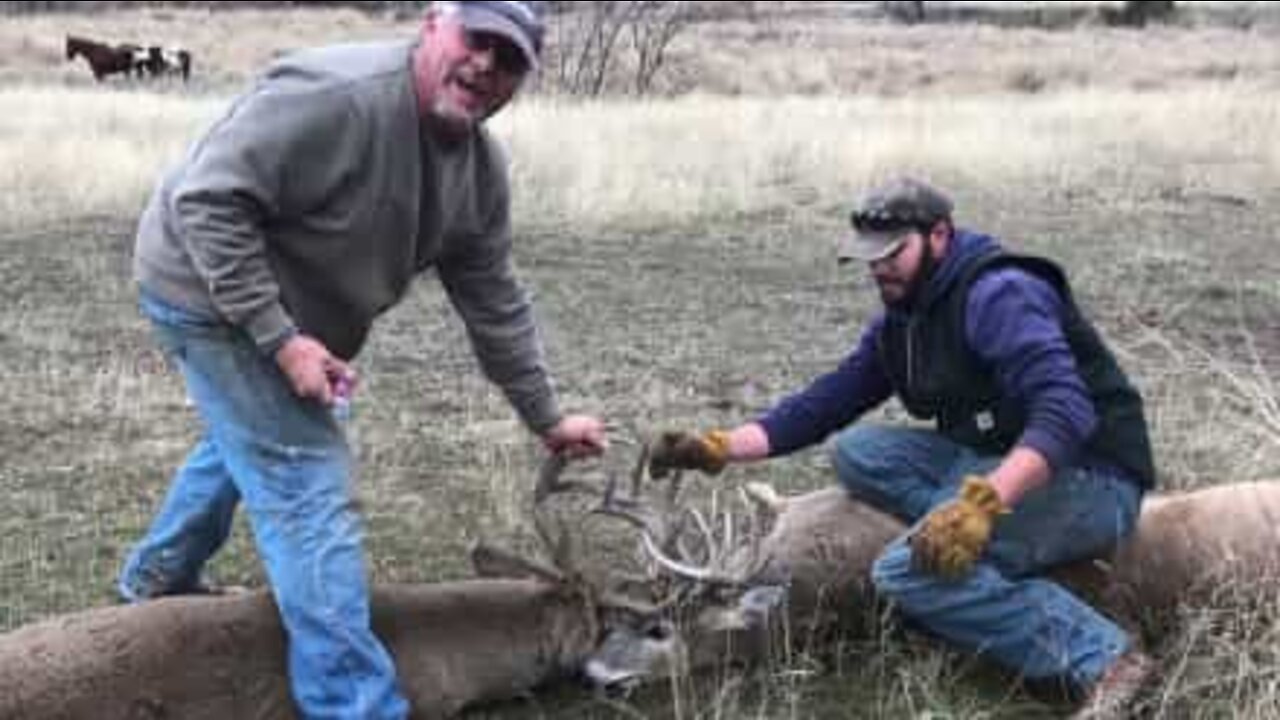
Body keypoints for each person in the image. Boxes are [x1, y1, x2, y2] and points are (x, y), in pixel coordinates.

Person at [118, 2, 607, 717]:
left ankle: (158, 580)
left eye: (510, 60)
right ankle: (355, 704)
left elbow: (494, 302)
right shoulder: (334, 98)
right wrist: (282, 341)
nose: (486, 67)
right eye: (477, 40)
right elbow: (207, 202)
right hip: (204, 292)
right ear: (435, 22)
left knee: (250, 439)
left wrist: (547, 416)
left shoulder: (476, 169)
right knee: (310, 490)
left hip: (298, 323)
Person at [649, 176, 1156, 718]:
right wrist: (721, 447)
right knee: (857, 450)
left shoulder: (999, 293)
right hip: (991, 457)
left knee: (902, 573)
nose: (878, 267)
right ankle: (972, 539)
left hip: (1088, 472)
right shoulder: (907, 315)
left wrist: (983, 504)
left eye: (893, 252)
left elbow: (1065, 413)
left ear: (939, 236)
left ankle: (1106, 656)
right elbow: (829, 400)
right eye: (869, 256)